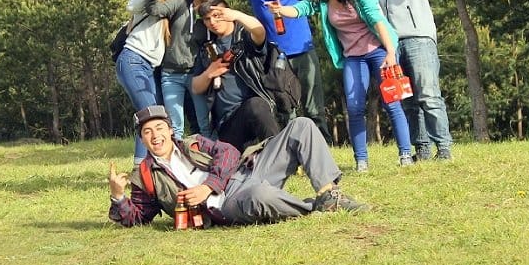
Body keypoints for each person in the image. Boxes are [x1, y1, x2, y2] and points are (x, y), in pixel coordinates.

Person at [310, 0, 454, 160]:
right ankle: (423, 149)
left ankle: (444, 148)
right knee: (404, 98)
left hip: (418, 37)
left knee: (427, 94)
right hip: (387, 44)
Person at [177, 0, 333, 145]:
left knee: (313, 105)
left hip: (303, 50)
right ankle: (291, 151)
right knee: (284, 107)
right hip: (273, 55)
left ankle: (323, 148)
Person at [266, 0, 413, 171]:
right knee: (354, 107)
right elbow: (301, 9)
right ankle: (361, 160)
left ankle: (406, 155)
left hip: (379, 50)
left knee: (391, 102)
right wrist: (279, 10)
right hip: (353, 56)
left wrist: (391, 52)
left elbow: (376, 18)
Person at [108, 105, 369, 227]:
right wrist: (118, 196)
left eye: (159, 128)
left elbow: (228, 153)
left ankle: (327, 193)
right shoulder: (145, 175)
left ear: (169, 129)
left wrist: (209, 186)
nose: (155, 136)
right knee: (259, 195)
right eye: (147, 132)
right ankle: (313, 208)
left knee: (301, 125)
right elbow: (139, 217)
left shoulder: (193, 143)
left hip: (246, 172)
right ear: (141, 138)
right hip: (229, 203)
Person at [144, 0, 225, 140]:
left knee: (205, 124)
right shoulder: (181, 4)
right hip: (171, 73)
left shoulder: (214, 12)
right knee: (176, 126)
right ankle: (177, 163)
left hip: (198, 75)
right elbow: (154, 10)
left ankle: (211, 161)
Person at [191, 0, 281, 152]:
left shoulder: (244, 38)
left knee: (256, 105)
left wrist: (237, 15)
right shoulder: (207, 49)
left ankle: (281, 157)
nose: (212, 22)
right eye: (207, 19)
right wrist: (210, 73)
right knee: (246, 162)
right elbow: (195, 87)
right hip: (227, 125)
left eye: (217, 16)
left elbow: (259, 32)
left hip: (256, 112)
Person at [116, 0, 186, 165]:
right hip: (133, 60)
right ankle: (141, 169)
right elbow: (131, 6)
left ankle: (156, 165)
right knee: (149, 115)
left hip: (150, 68)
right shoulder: (150, 2)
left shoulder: (174, 10)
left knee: (154, 114)